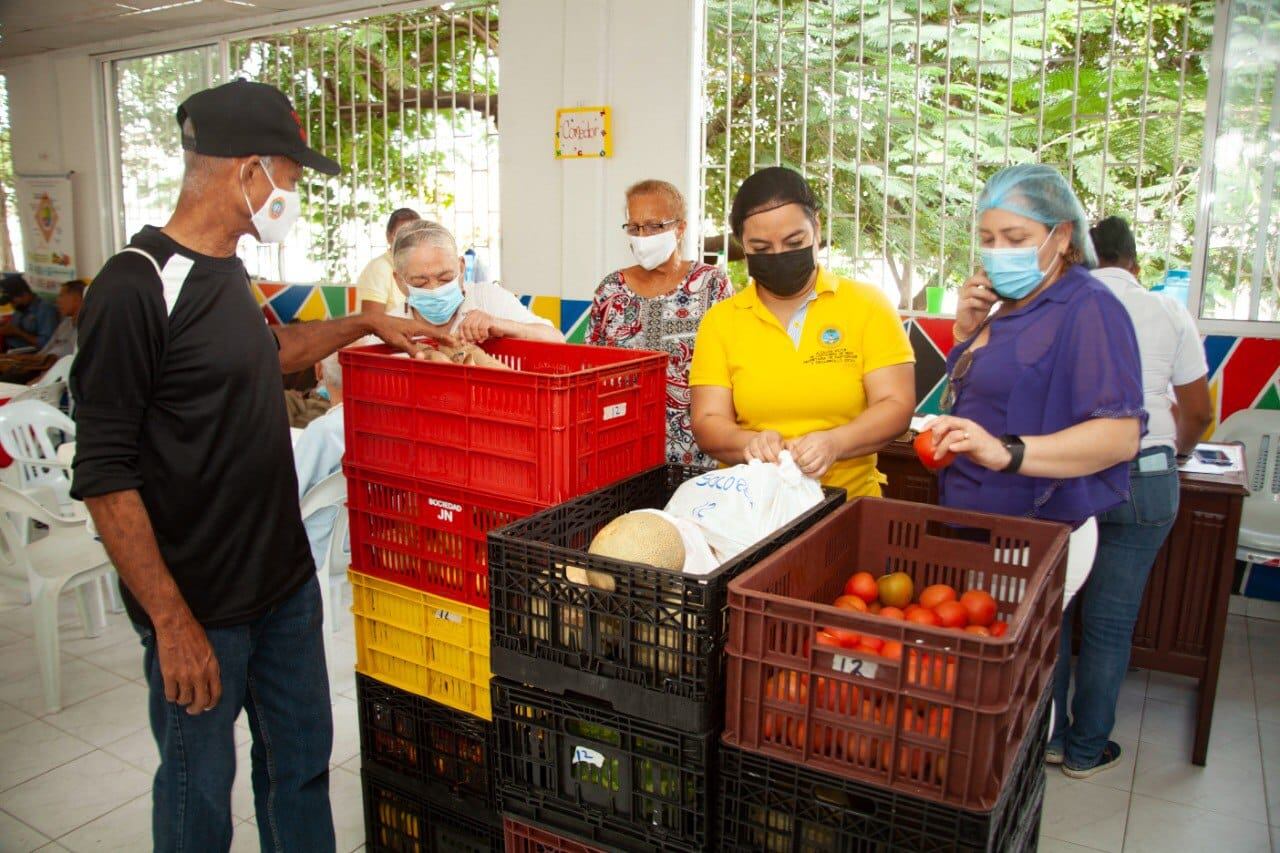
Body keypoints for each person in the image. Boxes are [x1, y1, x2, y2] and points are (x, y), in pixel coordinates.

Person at [69, 80, 452, 853]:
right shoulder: (137, 284)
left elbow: (272, 354)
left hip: (281, 586)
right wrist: (170, 621)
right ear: (249, 173)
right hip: (200, 603)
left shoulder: (226, 276)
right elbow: (104, 473)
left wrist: (365, 322)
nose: (294, 193)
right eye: (292, 175)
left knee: (301, 768)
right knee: (198, 794)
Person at [923, 164, 1145, 764]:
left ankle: (1011, 787)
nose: (998, 253)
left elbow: (1120, 434)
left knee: (1013, 685)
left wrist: (1009, 452)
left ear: (1062, 236)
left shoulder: (1088, 307)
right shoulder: (1009, 305)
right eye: (988, 239)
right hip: (977, 524)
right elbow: (965, 401)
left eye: (1016, 239)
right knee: (987, 677)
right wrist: (965, 333)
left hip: (1039, 530)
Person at [1045, 216, 1212, 778]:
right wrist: (1177, 451)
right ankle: (1087, 752)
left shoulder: (1060, 307)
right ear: (1136, 265)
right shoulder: (1168, 310)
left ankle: (1049, 740)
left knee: (1058, 615)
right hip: (1147, 473)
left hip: (1071, 475)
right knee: (1112, 626)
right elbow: (1198, 411)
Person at [690, 166, 916, 495]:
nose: (780, 255)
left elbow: (895, 404)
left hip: (849, 509)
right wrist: (750, 444)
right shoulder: (721, 321)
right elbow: (708, 421)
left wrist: (836, 443)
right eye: (762, 248)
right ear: (743, 246)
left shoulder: (867, 305)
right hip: (752, 511)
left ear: (817, 228)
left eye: (794, 241)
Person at [588, 179, 733, 467]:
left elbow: (733, 369)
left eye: (654, 226)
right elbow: (591, 373)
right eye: (634, 227)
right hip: (622, 455)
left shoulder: (712, 285)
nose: (643, 236)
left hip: (698, 458)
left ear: (680, 228)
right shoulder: (610, 290)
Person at [390, 219, 564, 343]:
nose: (435, 290)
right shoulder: (390, 328)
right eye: (420, 282)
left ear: (461, 267)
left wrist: (499, 324)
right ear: (399, 281)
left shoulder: (487, 298)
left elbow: (556, 339)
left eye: (445, 278)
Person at [295, 352, 346, 571]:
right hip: (364, 556)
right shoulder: (385, 426)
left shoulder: (323, 432)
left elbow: (286, 499)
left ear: (319, 371)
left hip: (315, 559)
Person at [0, 278, 83, 383]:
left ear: (77, 298)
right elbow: (46, 350)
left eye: (62, 296)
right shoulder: (66, 323)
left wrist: (16, 334)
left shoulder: (46, 310)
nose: (58, 301)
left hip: (48, 367)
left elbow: (48, 351)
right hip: (35, 360)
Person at [357, 207, 421, 315]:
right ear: (389, 237)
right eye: (401, 234)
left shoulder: (421, 267)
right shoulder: (379, 268)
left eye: (414, 234)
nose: (408, 240)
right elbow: (372, 322)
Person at [0, 273, 61, 352]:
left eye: (13, 302)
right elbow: (13, 327)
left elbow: (46, 343)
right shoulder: (21, 307)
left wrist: (18, 332)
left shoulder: (45, 309)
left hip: (26, 354)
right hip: (9, 349)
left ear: (25, 295)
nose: (12, 306)